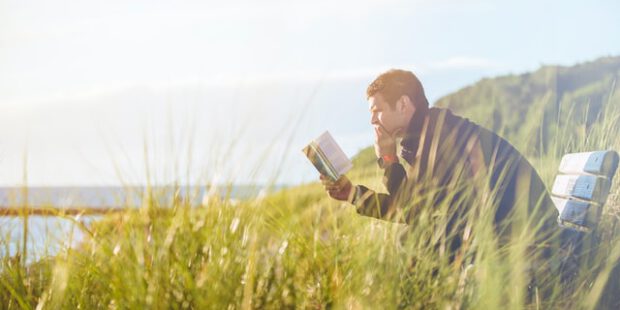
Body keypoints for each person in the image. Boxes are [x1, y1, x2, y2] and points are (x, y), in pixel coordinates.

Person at [321, 69, 558, 265]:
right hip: (507, 230)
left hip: (529, 239)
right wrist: (352, 194)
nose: (373, 121)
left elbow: (412, 211)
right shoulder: (429, 132)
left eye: (377, 111)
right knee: (418, 237)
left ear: (403, 104)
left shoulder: (440, 138)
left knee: (415, 239)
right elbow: (414, 207)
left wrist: (389, 160)